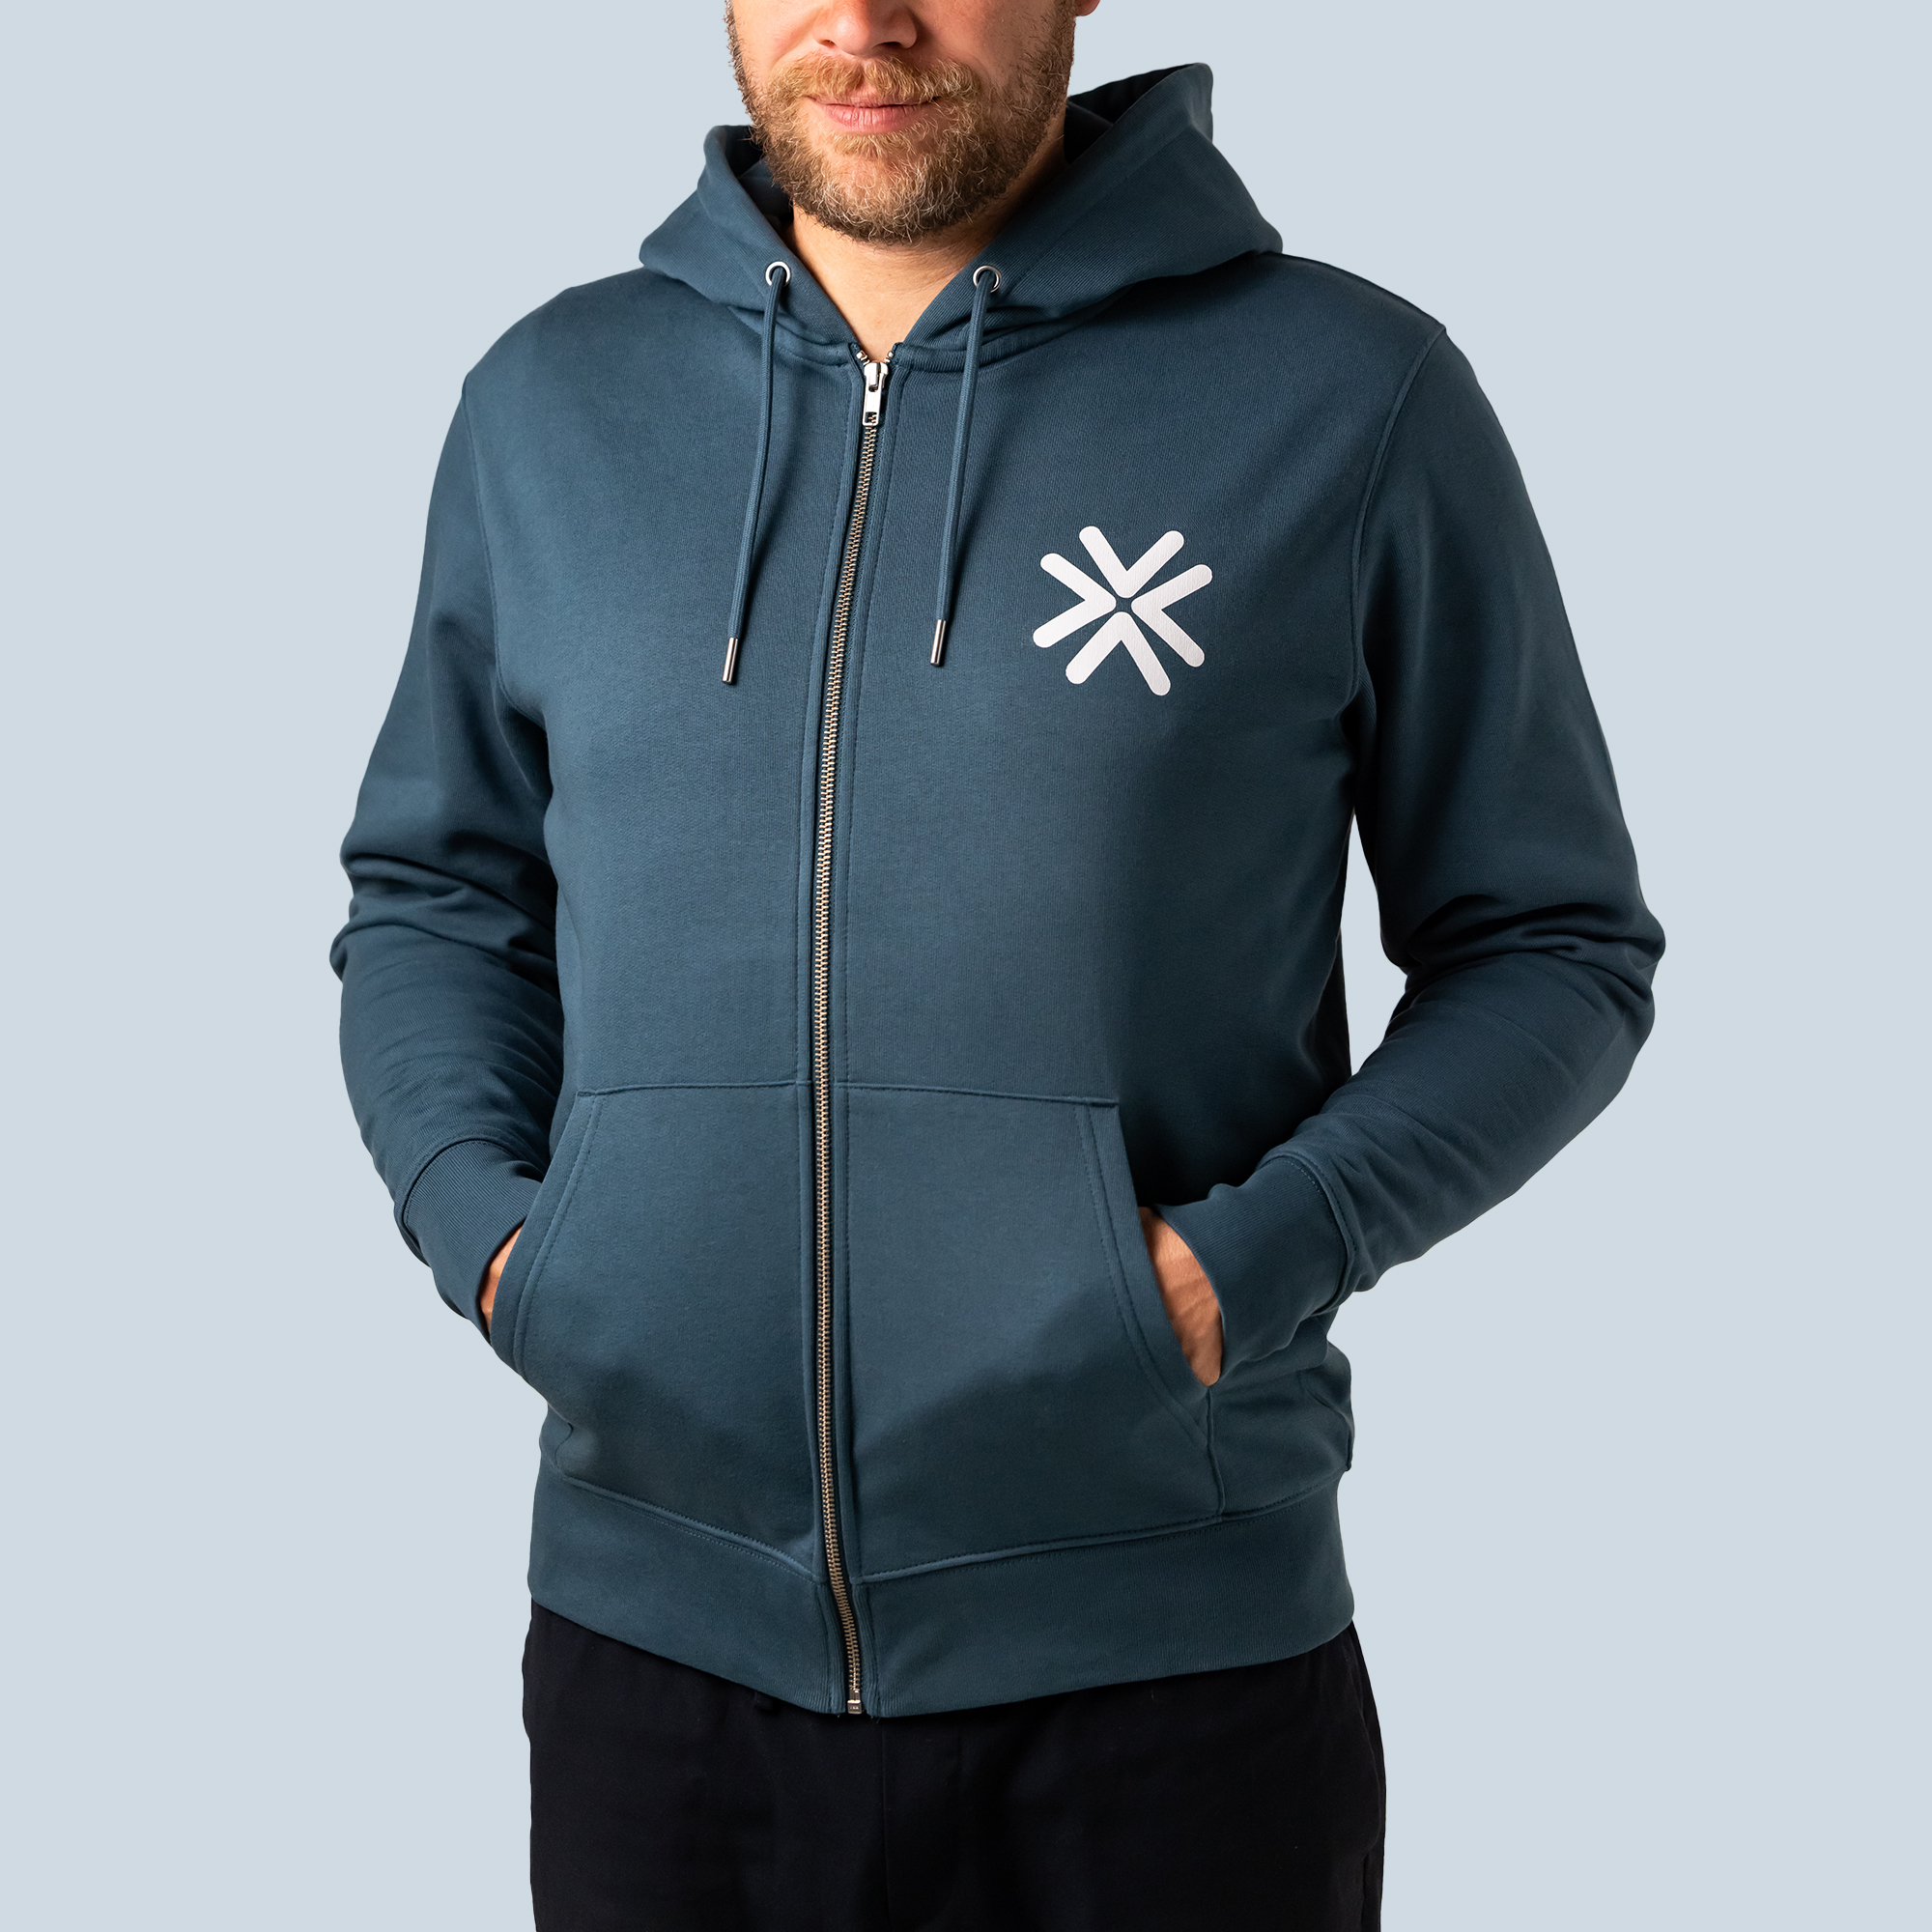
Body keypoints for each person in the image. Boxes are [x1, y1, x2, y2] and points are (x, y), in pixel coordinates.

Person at [332, 2, 1663, 1923]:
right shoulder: (550, 403)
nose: (865, 23)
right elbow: (438, 892)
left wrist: (1239, 1269)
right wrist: (498, 1239)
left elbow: (1549, 941)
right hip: (652, 1670)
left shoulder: (1345, 394)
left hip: (1168, 1682)